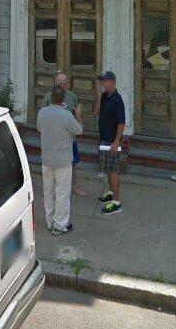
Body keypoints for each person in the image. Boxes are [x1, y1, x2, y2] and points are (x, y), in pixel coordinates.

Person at [36, 85, 83, 235]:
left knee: (48, 191)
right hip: (62, 160)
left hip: (47, 159)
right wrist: (78, 115)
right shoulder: (66, 115)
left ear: (50, 97)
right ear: (63, 99)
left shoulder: (42, 112)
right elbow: (79, 130)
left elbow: (39, 128)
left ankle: (50, 222)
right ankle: (60, 225)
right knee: (62, 193)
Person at [39, 73, 87, 197]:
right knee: (53, 166)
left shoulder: (72, 96)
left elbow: (76, 116)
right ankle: (53, 189)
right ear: (55, 83)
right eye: (59, 83)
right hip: (52, 139)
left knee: (72, 163)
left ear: (68, 84)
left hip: (70, 139)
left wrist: (78, 117)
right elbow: (43, 116)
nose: (62, 85)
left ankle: (73, 186)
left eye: (64, 83)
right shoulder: (48, 97)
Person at [93, 71, 126, 215]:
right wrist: (99, 96)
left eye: (105, 81)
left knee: (113, 171)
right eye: (102, 81)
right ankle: (111, 193)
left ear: (113, 82)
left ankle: (117, 203)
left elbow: (121, 123)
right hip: (104, 139)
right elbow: (95, 112)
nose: (103, 83)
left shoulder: (117, 100)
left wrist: (117, 141)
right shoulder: (105, 96)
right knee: (107, 169)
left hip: (112, 141)